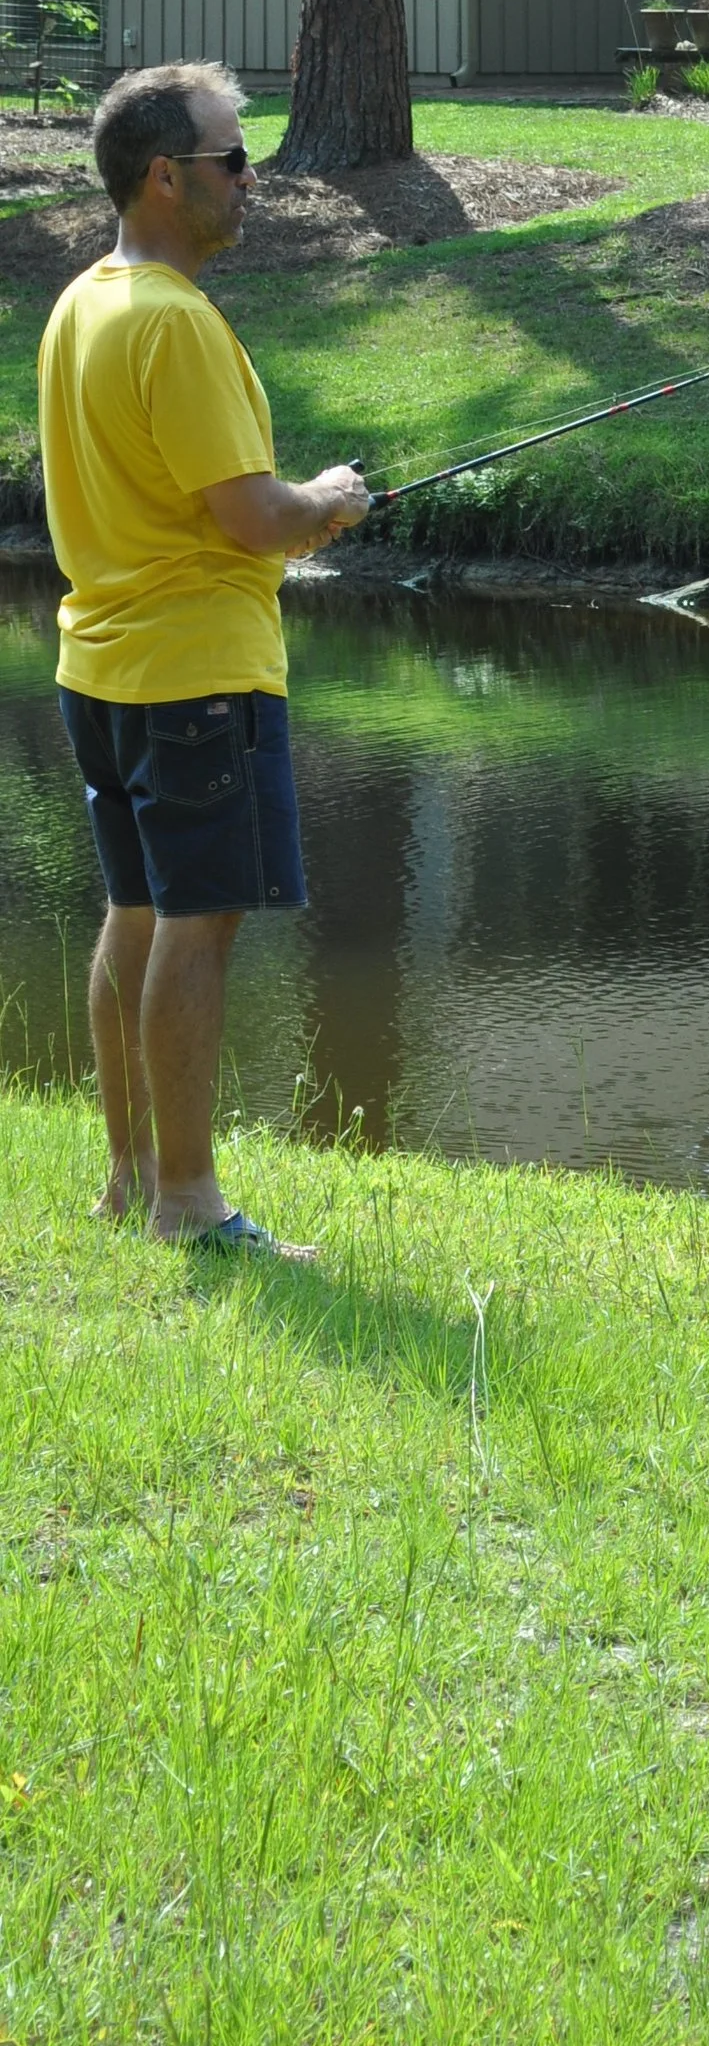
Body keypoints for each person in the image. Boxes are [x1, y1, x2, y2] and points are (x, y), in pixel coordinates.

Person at [38, 60, 371, 1251]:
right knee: (200, 917)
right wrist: (325, 498)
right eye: (236, 158)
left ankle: (130, 1178)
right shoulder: (175, 323)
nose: (253, 178)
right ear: (168, 176)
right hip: (194, 668)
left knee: (136, 906)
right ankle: (187, 1199)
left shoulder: (85, 299)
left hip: (100, 663)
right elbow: (250, 516)